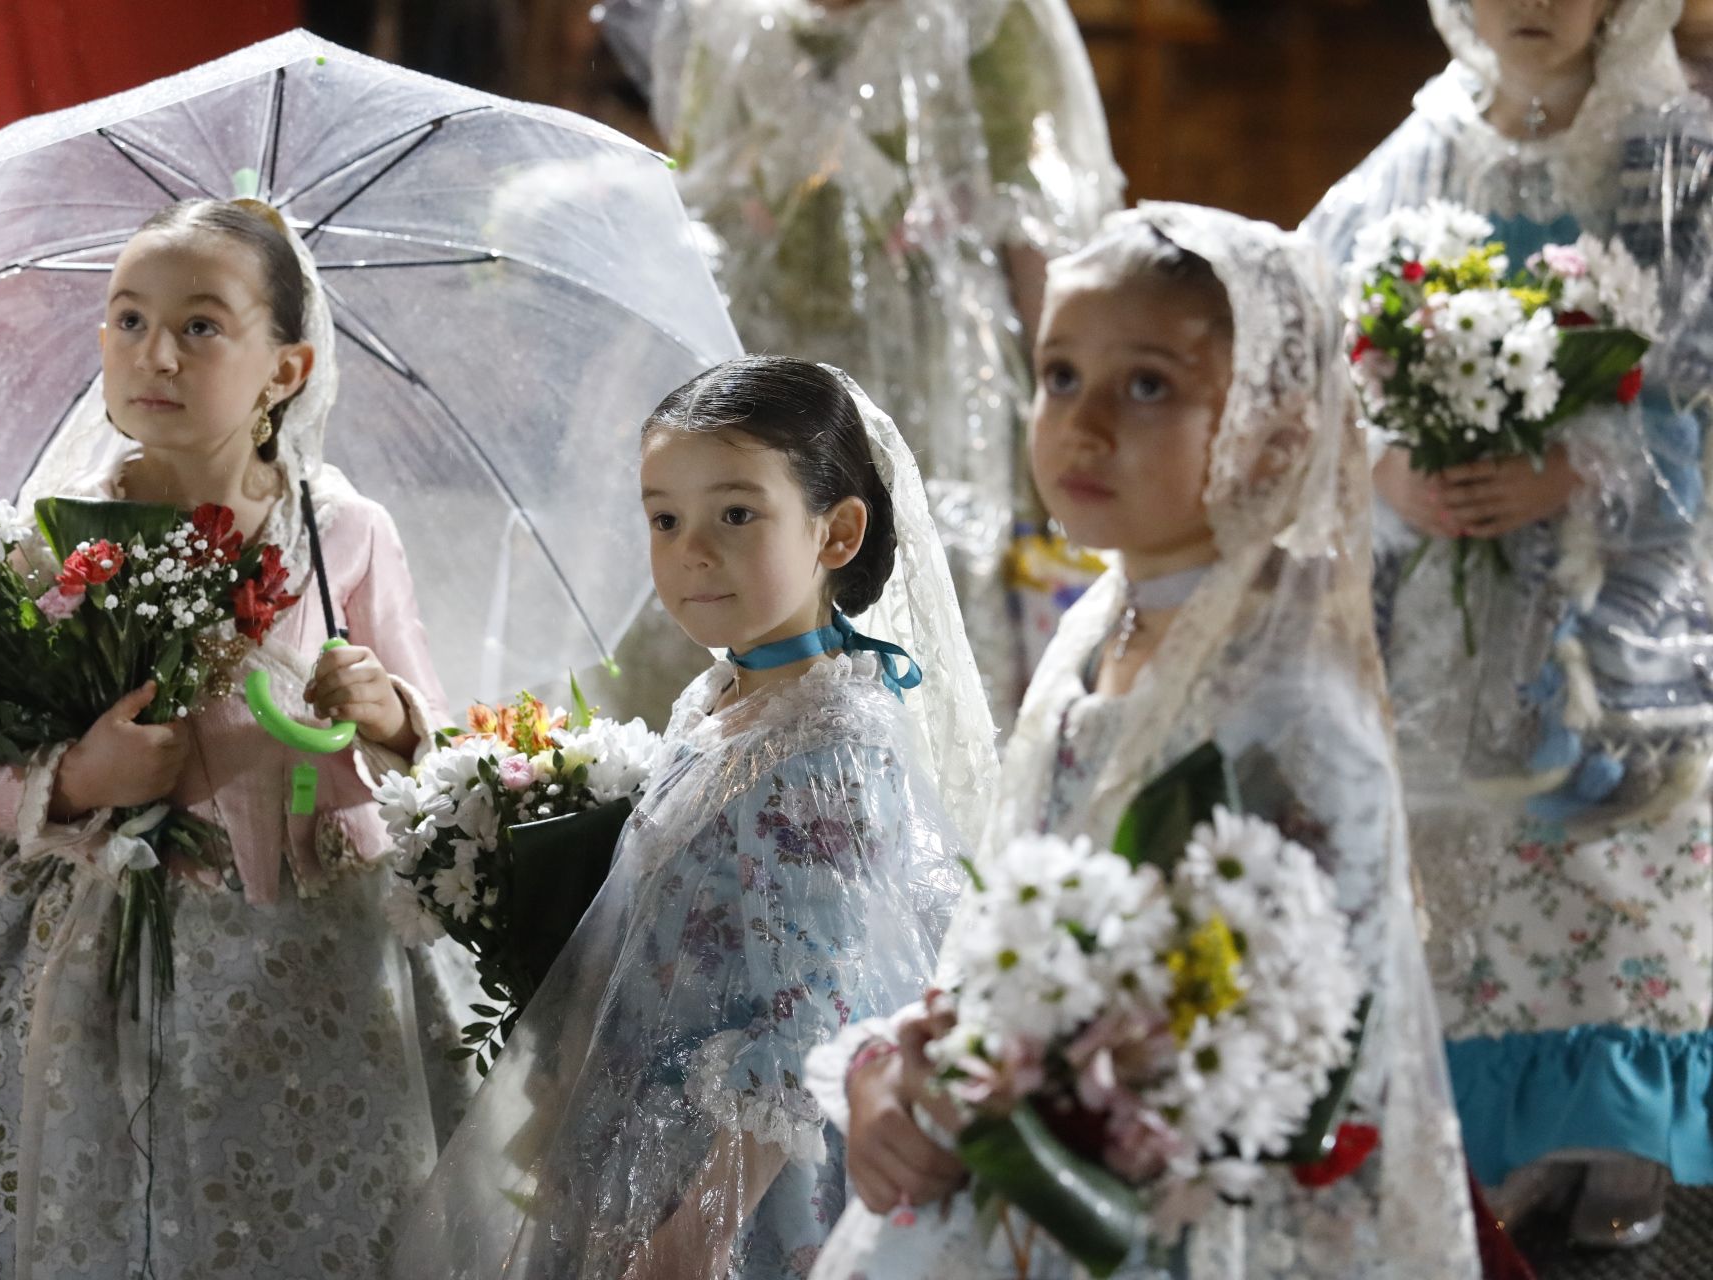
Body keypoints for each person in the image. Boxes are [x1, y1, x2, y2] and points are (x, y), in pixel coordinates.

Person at [0, 197, 473, 1278]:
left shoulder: (342, 530)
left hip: (302, 929)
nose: (155, 351)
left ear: (285, 371)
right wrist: (75, 775)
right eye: (127, 320)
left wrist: (389, 713)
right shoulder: (49, 539)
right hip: (85, 921)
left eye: (202, 325)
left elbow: (428, 743)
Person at [808, 205, 1481, 1278]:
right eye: (1061, 374)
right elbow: (1005, 921)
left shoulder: (1294, 702)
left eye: (1151, 384)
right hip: (1016, 1150)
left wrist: (1064, 1096)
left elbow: (1320, 1047)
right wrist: (901, 1068)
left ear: (1276, 430)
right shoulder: (1096, 626)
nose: (1085, 423)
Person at [392, 355, 999, 1278]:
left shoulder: (830, 748)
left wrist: (702, 1228)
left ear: (836, 531)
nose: (692, 551)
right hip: (642, 1125)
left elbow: (815, 1015)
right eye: (665, 519)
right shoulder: (729, 692)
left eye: (737, 514)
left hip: (737, 1174)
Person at [1305, 0, 1713, 1246]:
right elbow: (1311, 337)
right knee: (1463, 865)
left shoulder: (1678, 157)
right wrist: (1381, 464)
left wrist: (1578, 467)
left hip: (1617, 576)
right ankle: (1497, 1134)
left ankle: (1621, 1136)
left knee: (1609, 855)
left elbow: (1699, 369)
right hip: (1439, 585)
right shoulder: (1418, 151)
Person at [598, 0, 1123, 725]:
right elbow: (704, 174)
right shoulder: (725, 15)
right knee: (724, 539)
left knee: (904, 558)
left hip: (923, 360)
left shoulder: (986, 16)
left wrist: (1060, 391)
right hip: (761, 333)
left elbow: (1034, 216)